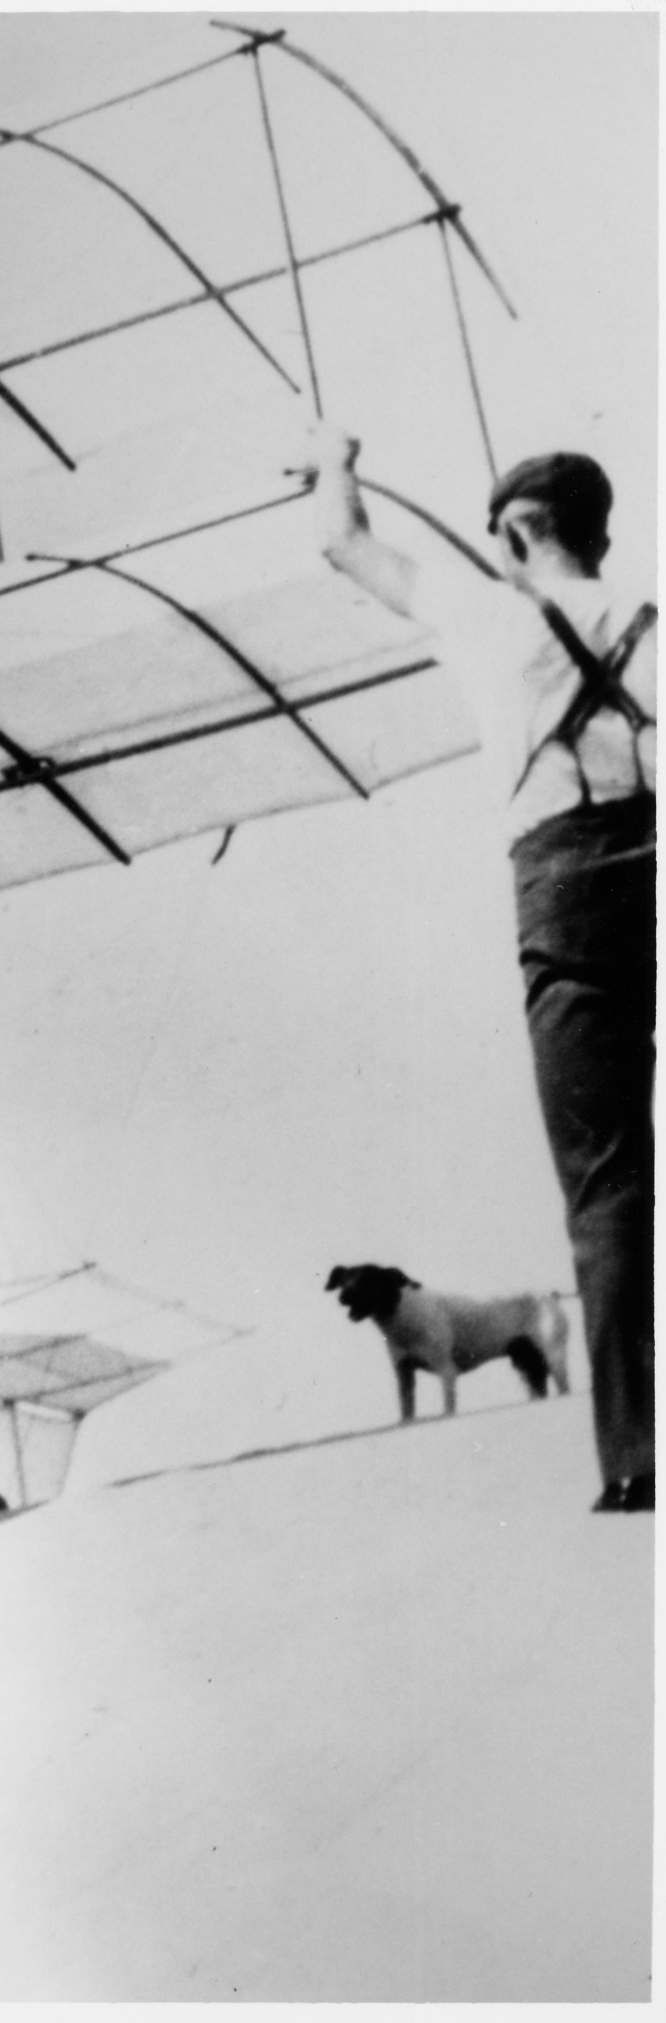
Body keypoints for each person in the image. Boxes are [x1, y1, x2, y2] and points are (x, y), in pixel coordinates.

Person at [313, 423, 655, 1512]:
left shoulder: (480, 613)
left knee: (605, 1188)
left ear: (513, 533)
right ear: (597, 534)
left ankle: (636, 1458)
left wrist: (336, 459)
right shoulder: (648, 619)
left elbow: (346, 544)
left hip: (563, 889)